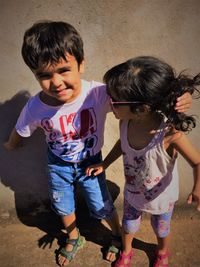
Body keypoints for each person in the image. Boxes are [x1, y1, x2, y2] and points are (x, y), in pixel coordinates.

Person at [3, 20, 192, 266]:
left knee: (101, 203)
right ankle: (73, 236)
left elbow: (141, 88)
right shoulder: (35, 107)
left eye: (63, 70)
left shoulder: (99, 93)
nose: (56, 82)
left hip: (91, 161)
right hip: (57, 164)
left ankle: (115, 234)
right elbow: (21, 129)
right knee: (62, 204)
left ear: (81, 64)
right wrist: (11, 144)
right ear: (35, 75)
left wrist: (179, 97)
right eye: (44, 75)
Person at [86, 56, 200, 267]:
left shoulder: (169, 135)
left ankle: (162, 252)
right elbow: (123, 144)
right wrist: (105, 163)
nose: (109, 102)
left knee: (162, 229)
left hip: (162, 197)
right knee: (128, 226)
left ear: (142, 109)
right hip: (133, 193)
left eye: (114, 100)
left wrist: (197, 188)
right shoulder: (126, 122)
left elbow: (198, 162)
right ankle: (127, 250)